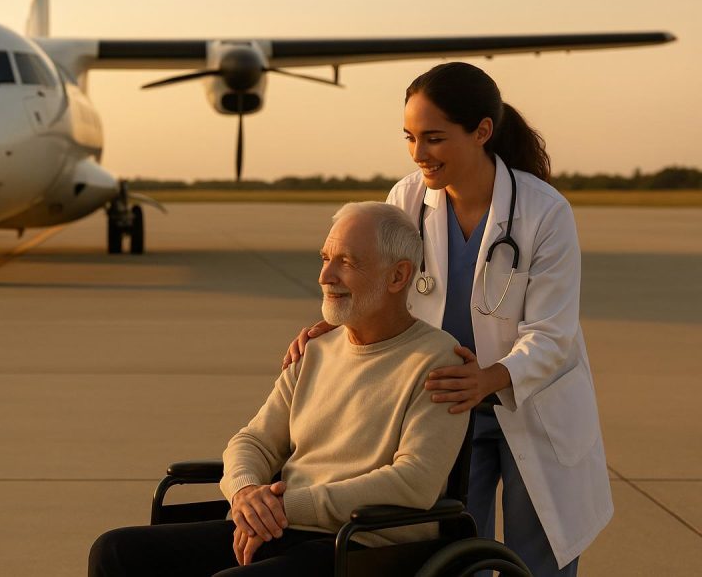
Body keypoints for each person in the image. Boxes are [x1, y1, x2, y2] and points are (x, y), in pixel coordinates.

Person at [283, 62, 611, 576]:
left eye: (433, 138)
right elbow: (379, 285)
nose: (418, 154)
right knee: (450, 553)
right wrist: (339, 322)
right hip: (442, 402)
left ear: (482, 131)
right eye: (410, 138)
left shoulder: (545, 212)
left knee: (539, 559)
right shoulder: (406, 199)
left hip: (531, 402)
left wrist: (489, 377)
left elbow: (552, 334)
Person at [89, 202, 468, 576]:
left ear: (398, 276)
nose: (325, 276)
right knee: (115, 552)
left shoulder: (438, 361)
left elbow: (414, 481)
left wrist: (287, 506)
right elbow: (252, 441)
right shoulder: (314, 351)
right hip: (281, 525)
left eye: (347, 263)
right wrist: (245, 494)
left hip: (363, 544)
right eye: (325, 258)